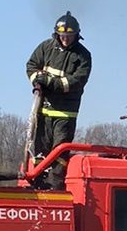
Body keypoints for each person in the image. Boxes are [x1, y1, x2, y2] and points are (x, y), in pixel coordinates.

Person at [26, 12, 91, 183]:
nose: (66, 39)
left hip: (64, 114)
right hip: (43, 111)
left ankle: (55, 187)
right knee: (39, 151)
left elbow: (77, 81)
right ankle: (37, 183)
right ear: (57, 34)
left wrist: (49, 82)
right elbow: (31, 66)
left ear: (76, 35)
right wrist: (37, 83)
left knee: (59, 153)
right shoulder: (45, 48)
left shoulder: (83, 56)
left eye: (69, 36)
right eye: (62, 36)